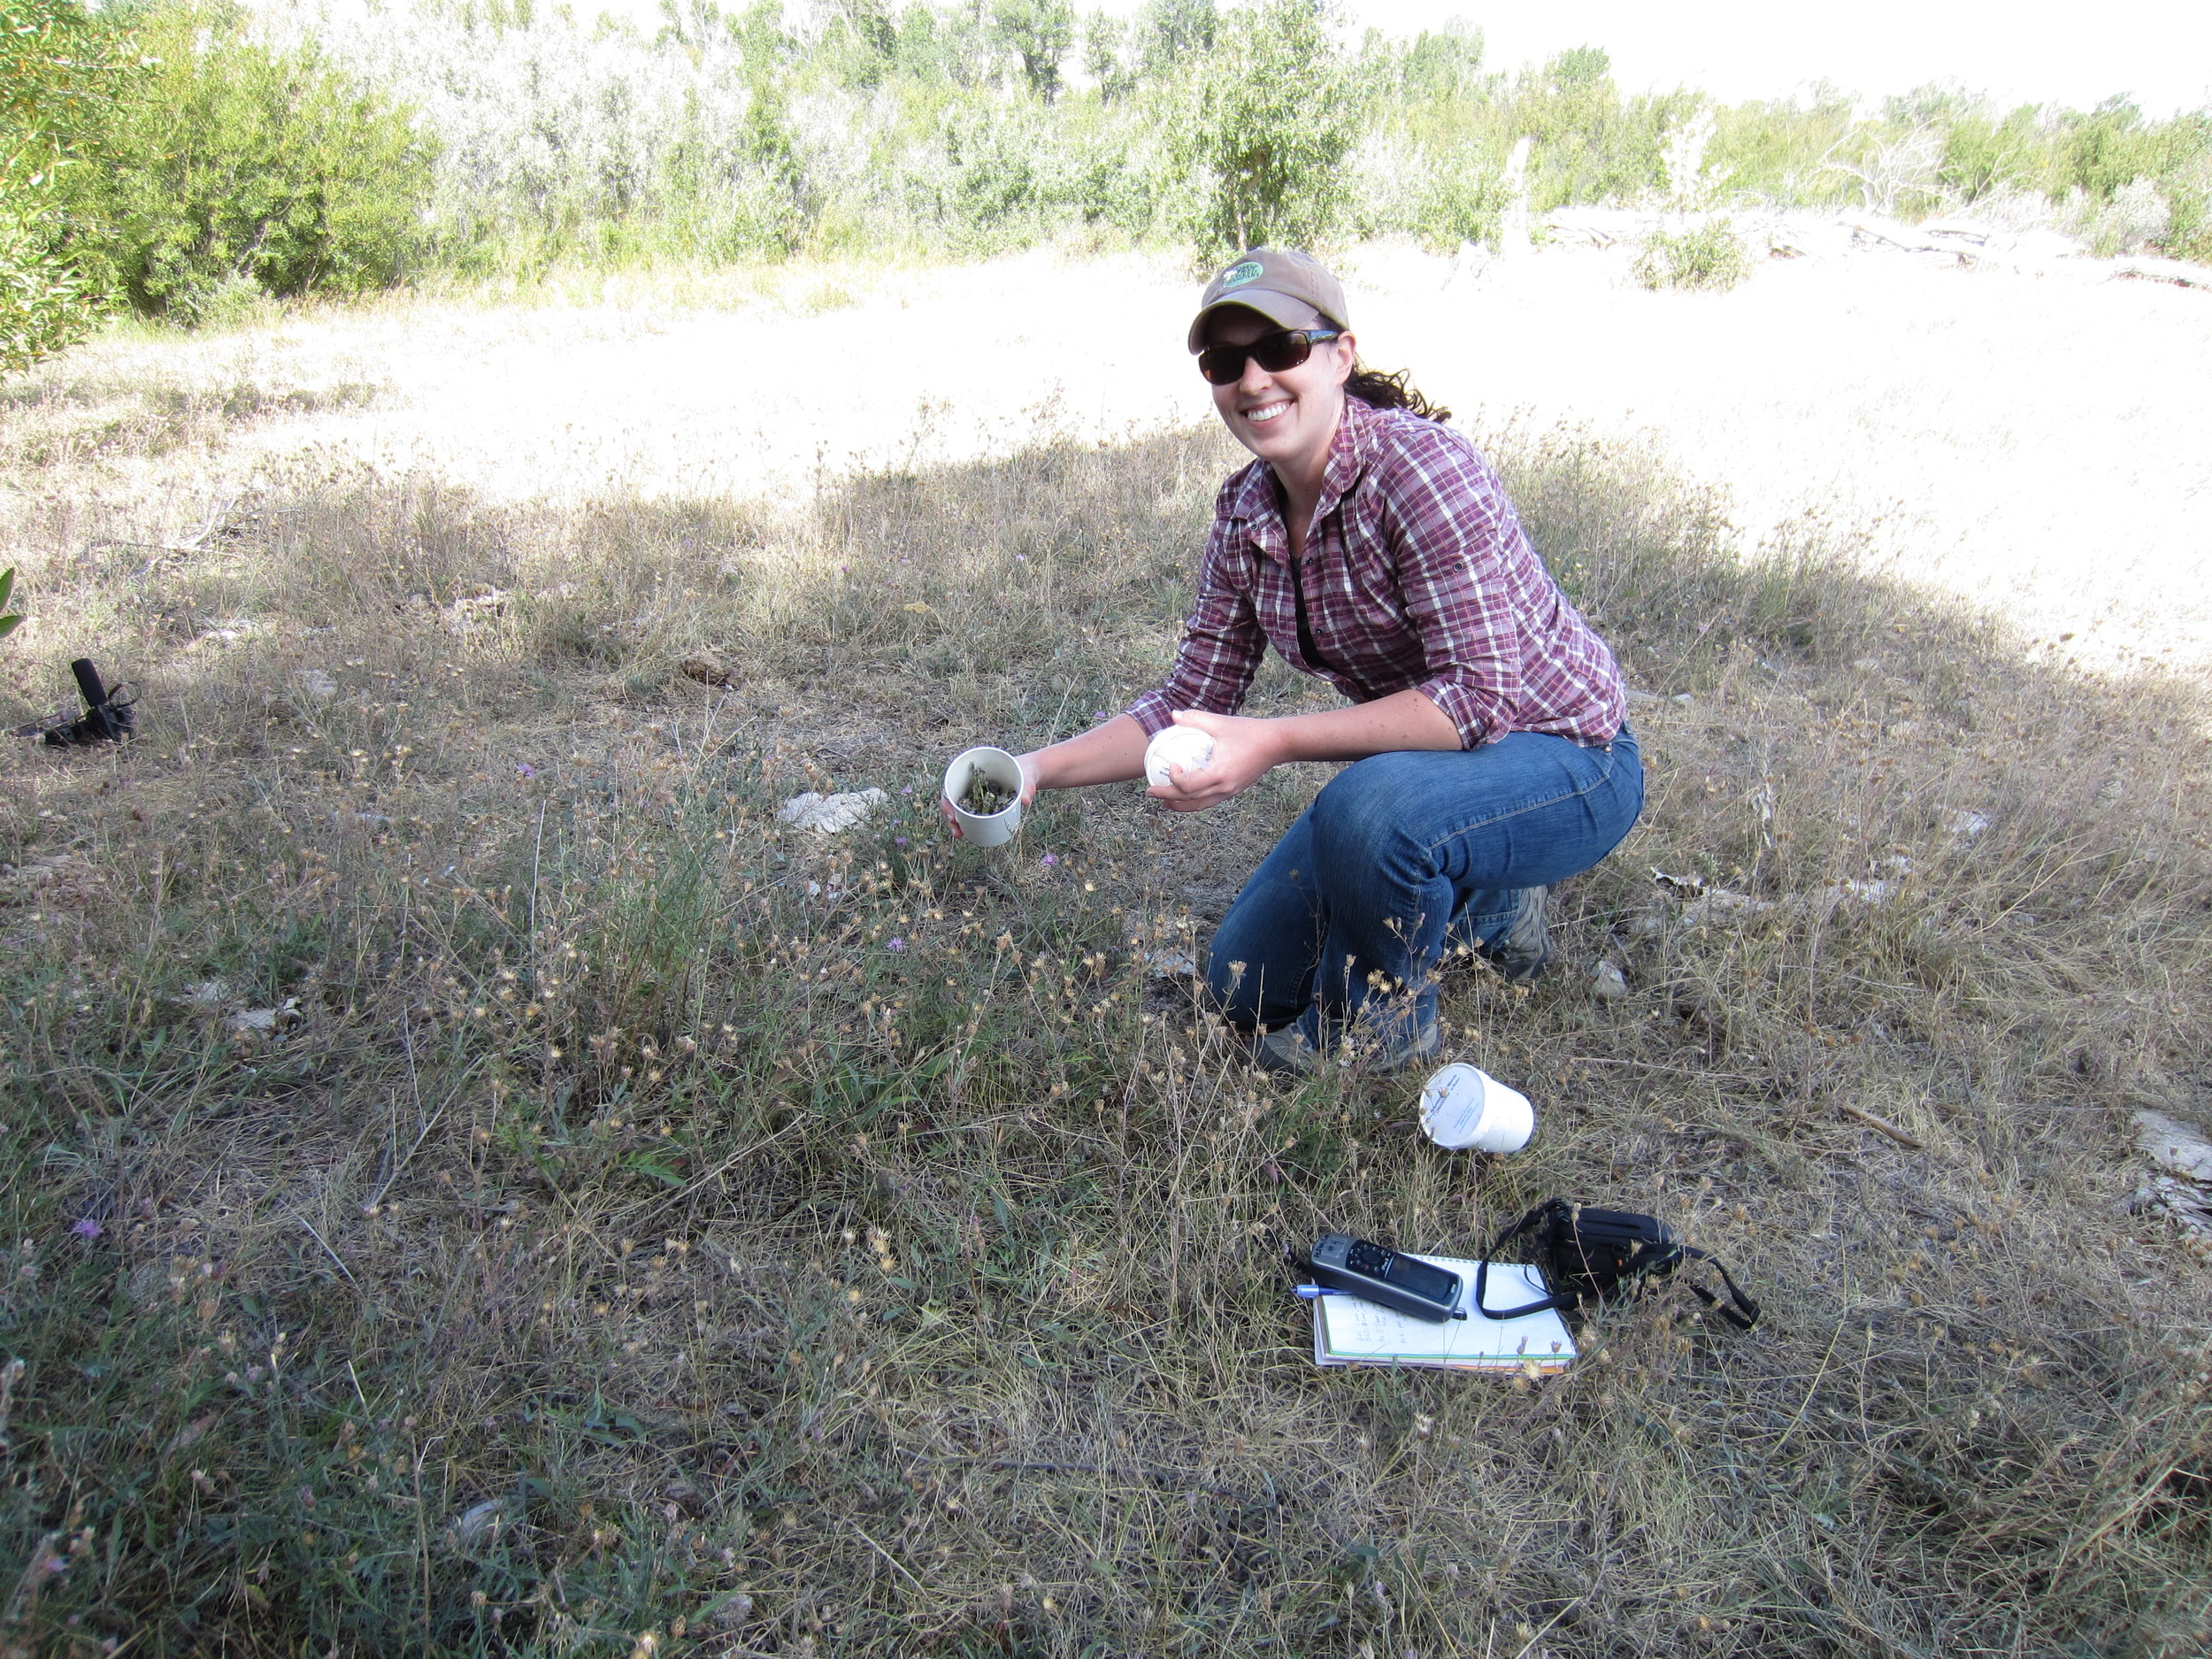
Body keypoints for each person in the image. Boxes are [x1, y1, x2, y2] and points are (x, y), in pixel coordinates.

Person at [950, 247, 1642, 1073]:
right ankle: (1494, 908)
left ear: (1340, 354)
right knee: (1243, 981)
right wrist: (1033, 769)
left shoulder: (1418, 470)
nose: (1252, 379)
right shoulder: (1247, 510)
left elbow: (1475, 703)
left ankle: (1374, 1036)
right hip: (1427, 776)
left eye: (1279, 349)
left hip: (1569, 761)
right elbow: (1189, 700)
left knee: (1370, 809)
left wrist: (1272, 739)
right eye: (1224, 361)